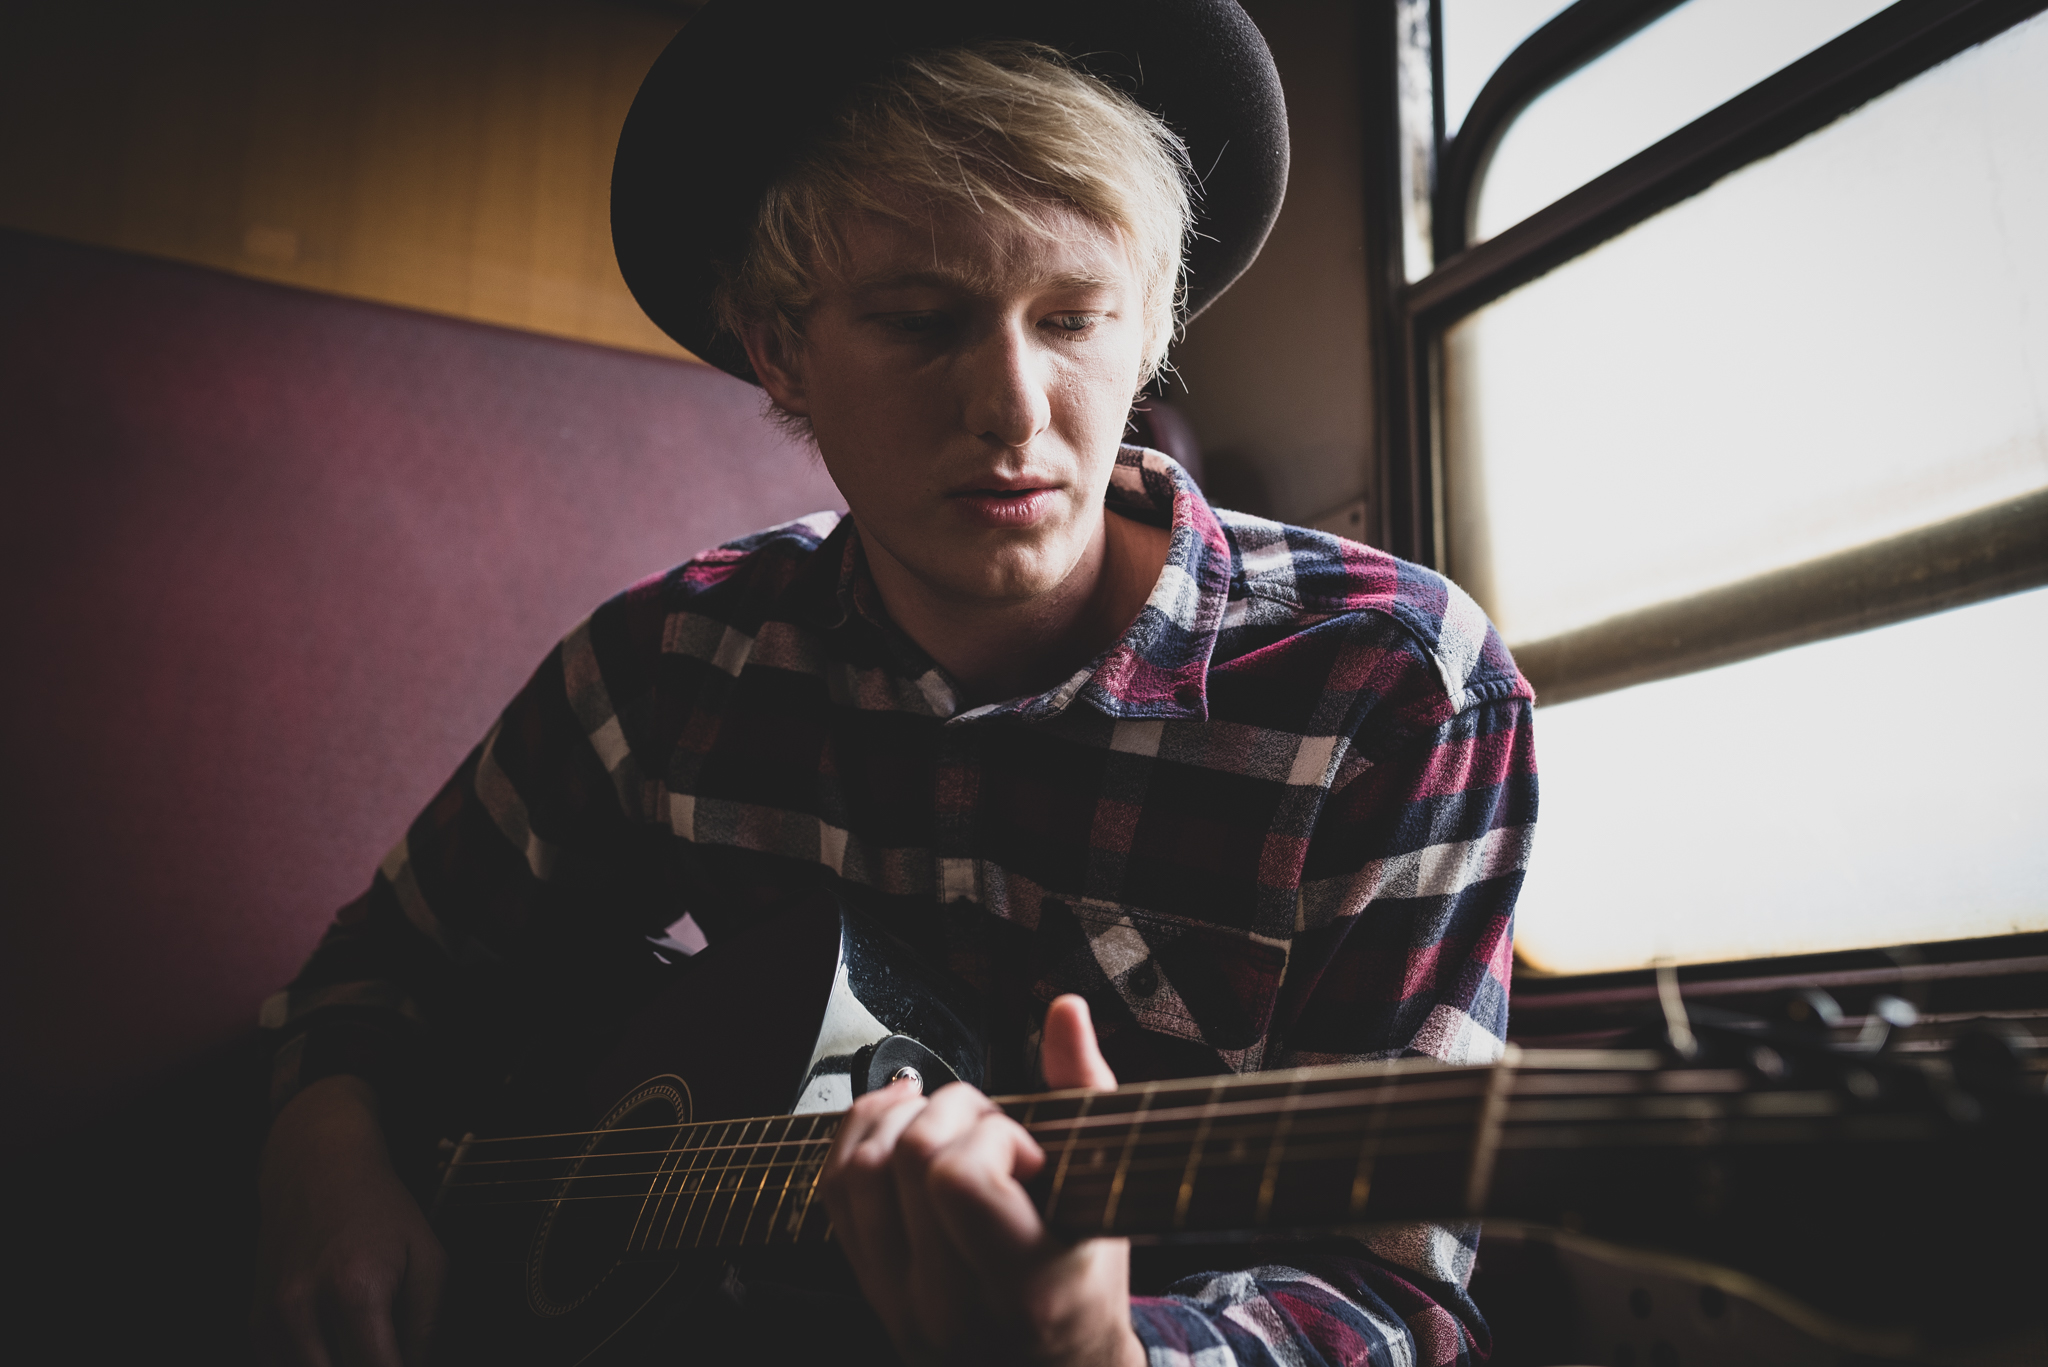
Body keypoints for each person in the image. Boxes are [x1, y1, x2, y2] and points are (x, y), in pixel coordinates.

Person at [253, 2, 1536, 1364]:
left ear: (1150, 324)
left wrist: (1105, 1352)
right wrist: (327, 1161)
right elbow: (381, 972)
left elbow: (1396, 1294)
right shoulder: (672, 666)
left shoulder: (1391, 691)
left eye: (1074, 318)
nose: (1015, 409)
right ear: (781, 350)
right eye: (921, 324)